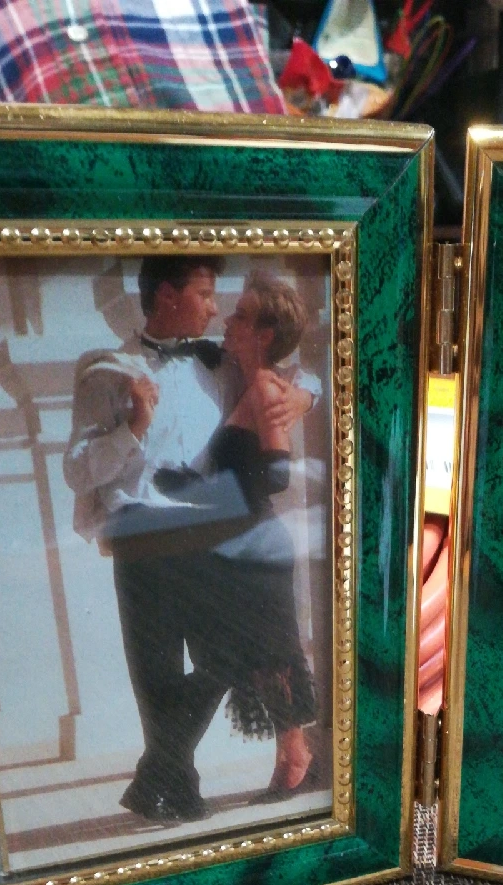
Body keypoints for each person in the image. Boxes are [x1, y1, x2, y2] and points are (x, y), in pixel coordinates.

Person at [63, 256, 317, 823]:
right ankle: (180, 787)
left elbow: (292, 371)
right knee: (154, 672)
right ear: (168, 295)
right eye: (204, 294)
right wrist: (133, 428)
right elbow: (77, 472)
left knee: (225, 659)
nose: (214, 308)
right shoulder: (106, 373)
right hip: (140, 538)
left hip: (210, 537)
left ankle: (157, 775)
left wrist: (305, 398)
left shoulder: (223, 363)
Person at [212, 271, 320, 795]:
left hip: (257, 539)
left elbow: (277, 473)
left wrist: (221, 489)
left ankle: (295, 756)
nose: (227, 321)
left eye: (240, 315)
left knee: (274, 653)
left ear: (265, 334)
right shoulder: (253, 380)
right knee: (262, 655)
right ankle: (290, 754)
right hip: (244, 541)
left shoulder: (263, 386)